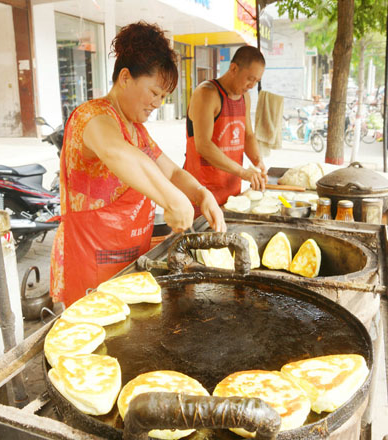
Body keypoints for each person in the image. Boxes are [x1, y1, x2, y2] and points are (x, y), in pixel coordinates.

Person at [50, 22, 226, 307]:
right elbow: (115, 152)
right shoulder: (91, 116)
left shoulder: (137, 130)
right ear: (125, 77)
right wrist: (172, 200)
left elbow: (171, 170)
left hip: (128, 262)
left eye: (163, 97)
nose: (157, 103)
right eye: (154, 92)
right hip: (90, 267)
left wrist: (200, 194)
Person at [184, 45, 268, 209]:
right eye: (250, 78)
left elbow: (248, 135)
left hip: (232, 193)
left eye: (256, 81)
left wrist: (259, 162)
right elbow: (203, 145)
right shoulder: (207, 93)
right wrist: (244, 172)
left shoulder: (245, 97)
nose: (251, 85)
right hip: (202, 192)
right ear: (233, 68)